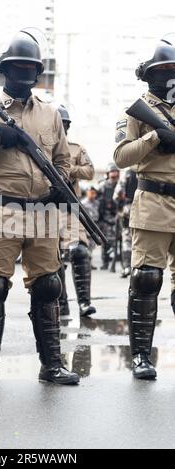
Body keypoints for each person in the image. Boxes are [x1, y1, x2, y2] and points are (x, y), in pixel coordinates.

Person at [0, 30, 79, 388]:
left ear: (38, 72)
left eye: (30, 67)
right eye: (16, 66)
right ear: (3, 70)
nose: (23, 73)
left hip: (42, 212)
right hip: (1, 211)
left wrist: (62, 187)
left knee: (47, 286)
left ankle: (52, 366)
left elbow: (63, 160)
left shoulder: (51, 114)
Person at [114, 37, 175, 379]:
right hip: (153, 203)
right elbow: (121, 157)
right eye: (163, 70)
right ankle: (141, 356)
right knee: (147, 279)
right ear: (149, 74)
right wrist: (155, 138)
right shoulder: (135, 111)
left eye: (174, 70)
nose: (169, 76)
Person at [57, 105, 96, 317]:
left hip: (71, 207)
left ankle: (84, 303)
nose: (60, 127)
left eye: (63, 124)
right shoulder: (38, 147)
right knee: (52, 259)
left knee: (79, 251)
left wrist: (66, 170)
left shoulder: (76, 148)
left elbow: (89, 171)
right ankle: (61, 304)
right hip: (45, 209)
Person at [113, 169, 138, 278]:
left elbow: (117, 195)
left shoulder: (127, 174)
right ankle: (138, 268)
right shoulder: (149, 168)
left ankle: (127, 267)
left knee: (127, 241)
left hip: (129, 209)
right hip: (145, 209)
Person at [97, 163, 120, 270]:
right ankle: (105, 261)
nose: (114, 174)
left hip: (118, 215)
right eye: (112, 172)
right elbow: (98, 202)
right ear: (108, 173)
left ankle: (119, 259)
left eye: (115, 171)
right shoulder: (103, 186)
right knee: (105, 240)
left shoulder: (120, 185)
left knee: (119, 240)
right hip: (105, 217)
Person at [81, 185, 100, 269]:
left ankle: (90, 262)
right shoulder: (83, 203)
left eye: (94, 193)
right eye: (91, 193)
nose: (92, 194)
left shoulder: (97, 203)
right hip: (86, 226)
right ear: (87, 193)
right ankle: (86, 263)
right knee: (86, 245)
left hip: (94, 225)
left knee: (92, 246)